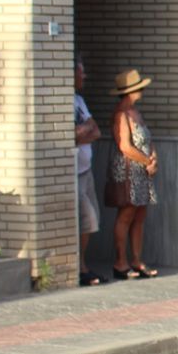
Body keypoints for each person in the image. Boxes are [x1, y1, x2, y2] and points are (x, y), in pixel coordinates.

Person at [106, 69, 159, 280]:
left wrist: (154, 158)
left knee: (139, 215)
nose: (142, 91)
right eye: (138, 88)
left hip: (143, 170)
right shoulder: (121, 114)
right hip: (128, 170)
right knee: (126, 214)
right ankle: (121, 262)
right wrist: (147, 161)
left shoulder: (136, 113)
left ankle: (137, 260)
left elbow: (147, 139)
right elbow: (125, 146)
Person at [73, 57, 104, 286]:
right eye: (81, 72)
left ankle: (82, 264)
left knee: (92, 219)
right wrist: (80, 132)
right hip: (71, 173)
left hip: (86, 170)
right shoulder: (61, 100)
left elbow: (96, 131)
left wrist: (81, 132)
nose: (84, 77)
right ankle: (79, 267)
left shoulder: (79, 100)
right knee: (87, 219)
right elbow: (71, 135)